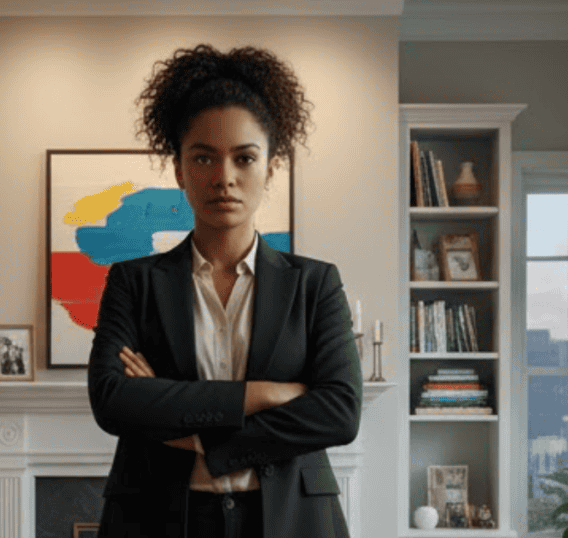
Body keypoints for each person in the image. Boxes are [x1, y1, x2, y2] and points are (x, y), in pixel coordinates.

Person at [87, 44, 362, 538]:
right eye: (204, 157)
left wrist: (201, 438)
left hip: (290, 520)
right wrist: (263, 395)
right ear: (179, 170)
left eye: (244, 158)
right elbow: (113, 401)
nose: (225, 178)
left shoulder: (316, 283)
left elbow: (339, 413)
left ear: (271, 168)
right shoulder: (133, 281)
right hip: (156, 516)